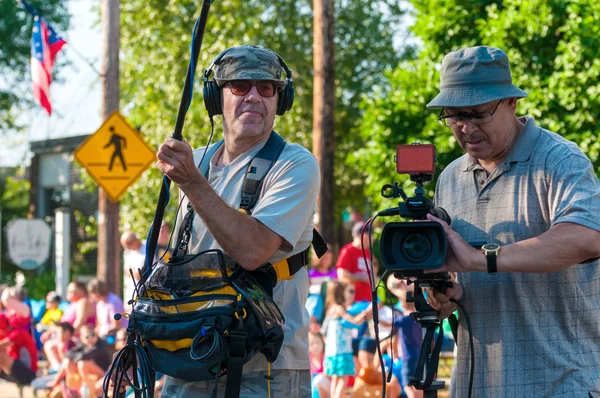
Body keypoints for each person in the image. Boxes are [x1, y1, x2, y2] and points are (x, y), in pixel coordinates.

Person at [425, 46, 600, 397]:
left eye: (477, 113)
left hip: (561, 382)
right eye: (454, 115)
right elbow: (456, 276)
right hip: (478, 384)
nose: (465, 127)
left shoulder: (559, 159)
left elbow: (586, 237)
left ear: (511, 103)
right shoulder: (450, 177)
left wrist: (482, 259)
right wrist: (443, 296)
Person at [154, 44, 320, 397]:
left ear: (281, 99)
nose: (254, 97)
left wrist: (191, 182)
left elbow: (252, 251)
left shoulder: (294, 164)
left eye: (267, 88)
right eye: (240, 86)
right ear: (216, 97)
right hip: (189, 358)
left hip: (266, 368)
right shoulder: (194, 162)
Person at [323, 281, 372, 398]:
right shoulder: (339, 308)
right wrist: (366, 313)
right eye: (349, 291)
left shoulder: (331, 308)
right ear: (341, 293)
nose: (352, 295)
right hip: (342, 351)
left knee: (335, 379)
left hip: (331, 351)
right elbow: (354, 321)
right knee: (343, 380)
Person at [336, 222, 376, 303]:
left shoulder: (368, 252)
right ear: (364, 235)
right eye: (371, 235)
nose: (373, 238)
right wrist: (363, 278)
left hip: (368, 300)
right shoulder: (347, 251)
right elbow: (342, 275)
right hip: (353, 301)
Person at [120, 230, 146, 311]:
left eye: (128, 245)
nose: (127, 248)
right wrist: (132, 273)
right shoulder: (128, 252)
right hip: (130, 290)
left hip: (144, 291)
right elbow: (126, 269)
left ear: (135, 241)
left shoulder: (147, 247)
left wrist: (140, 273)